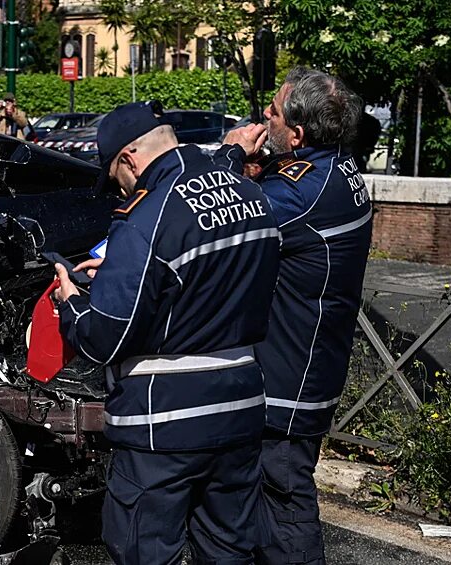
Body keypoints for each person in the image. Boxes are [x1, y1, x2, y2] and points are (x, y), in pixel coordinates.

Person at [52, 100, 280, 564]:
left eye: (118, 178)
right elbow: (199, 271)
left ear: (130, 158)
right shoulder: (251, 194)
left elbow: (104, 338)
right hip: (240, 408)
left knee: (145, 551)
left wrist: (72, 302)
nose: (121, 190)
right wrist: (124, 270)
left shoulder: (143, 218)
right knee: (229, 550)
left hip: (164, 423)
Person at [251, 67, 373, 565]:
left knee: (284, 507)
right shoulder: (339, 170)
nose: (264, 115)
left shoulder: (301, 192)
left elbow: (217, 221)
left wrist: (231, 159)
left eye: (274, 112)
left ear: (297, 134)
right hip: (311, 364)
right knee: (264, 506)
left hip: (287, 381)